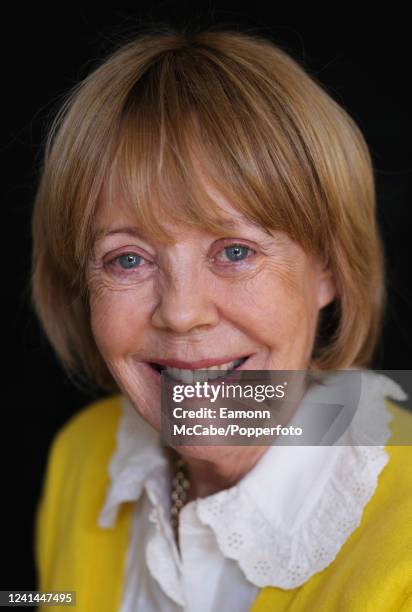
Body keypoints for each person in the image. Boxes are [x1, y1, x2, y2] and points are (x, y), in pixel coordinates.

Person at [31, 25, 412, 611]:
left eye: (235, 251)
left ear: (328, 270)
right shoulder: (81, 458)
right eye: (127, 259)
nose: (182, 314)